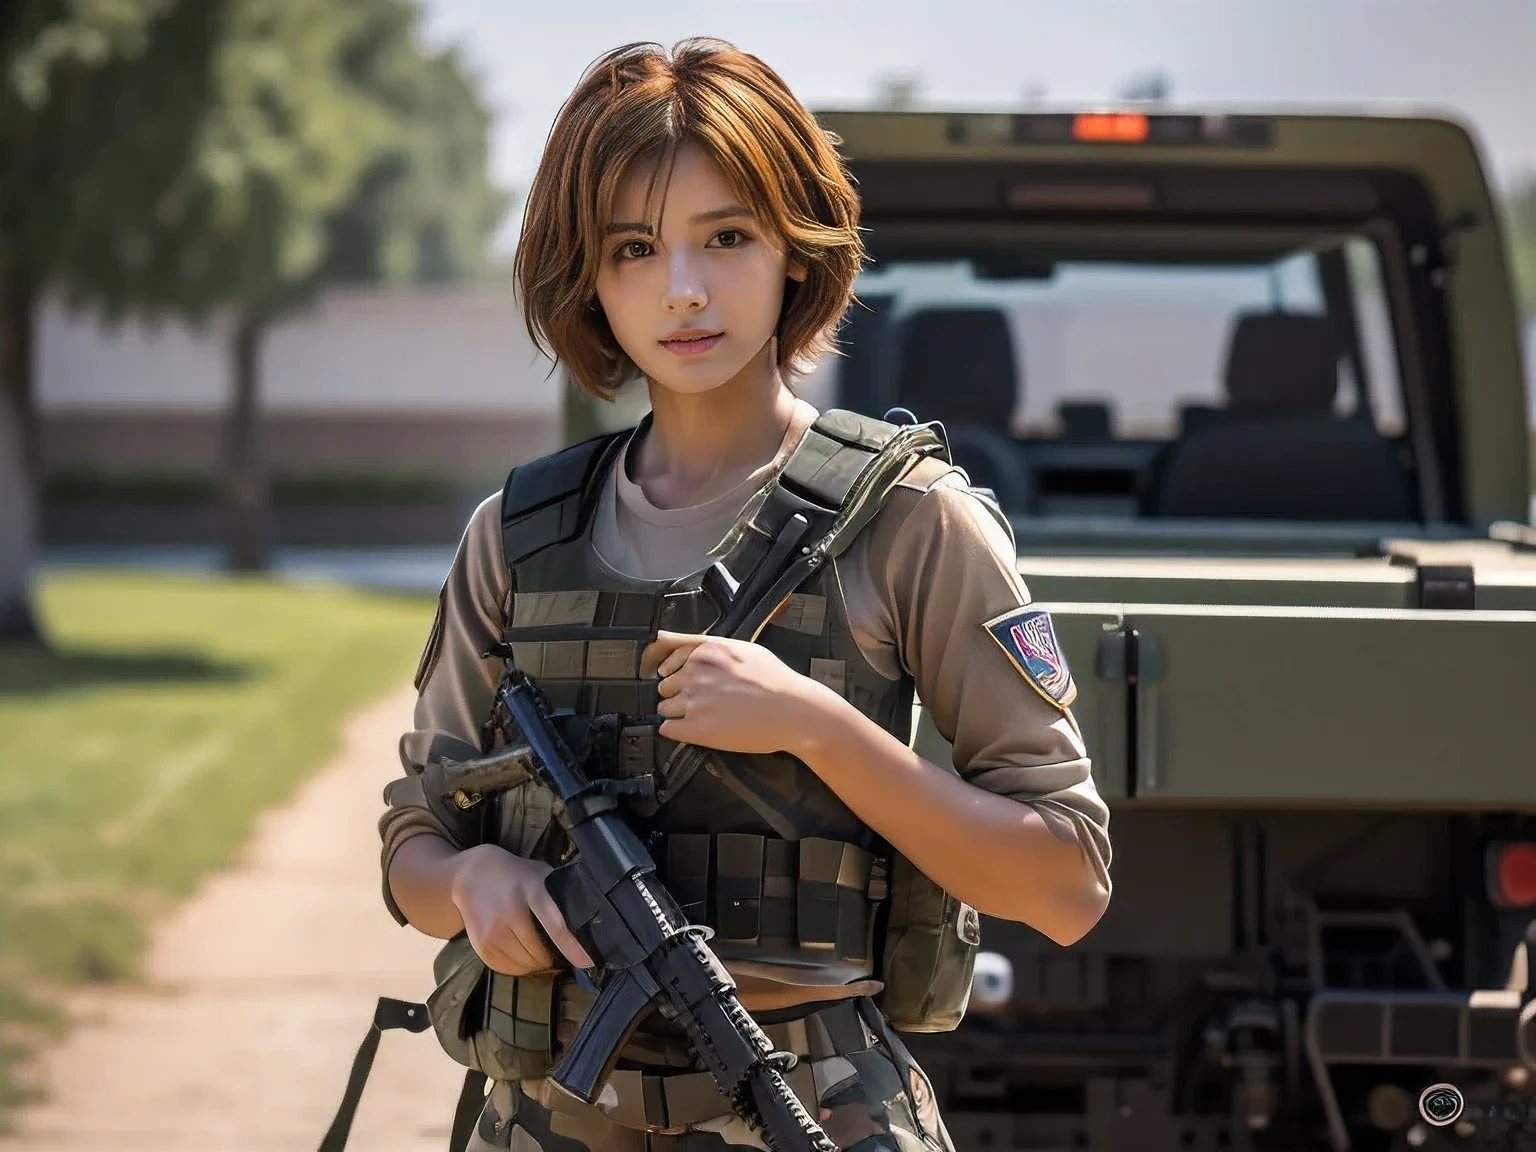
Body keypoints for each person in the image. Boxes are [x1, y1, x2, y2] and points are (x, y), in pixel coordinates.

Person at [377, 37, 1112, 1152]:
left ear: (794, 248)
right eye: (634, 249)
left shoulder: (913, 521)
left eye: (726, 237)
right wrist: (472, 879)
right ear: (589, 279)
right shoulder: (516, 538)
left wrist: (818, 728)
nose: (683, 289)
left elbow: (1066, 882)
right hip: (554, 1109)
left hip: (809, 1103)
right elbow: (412, 841)